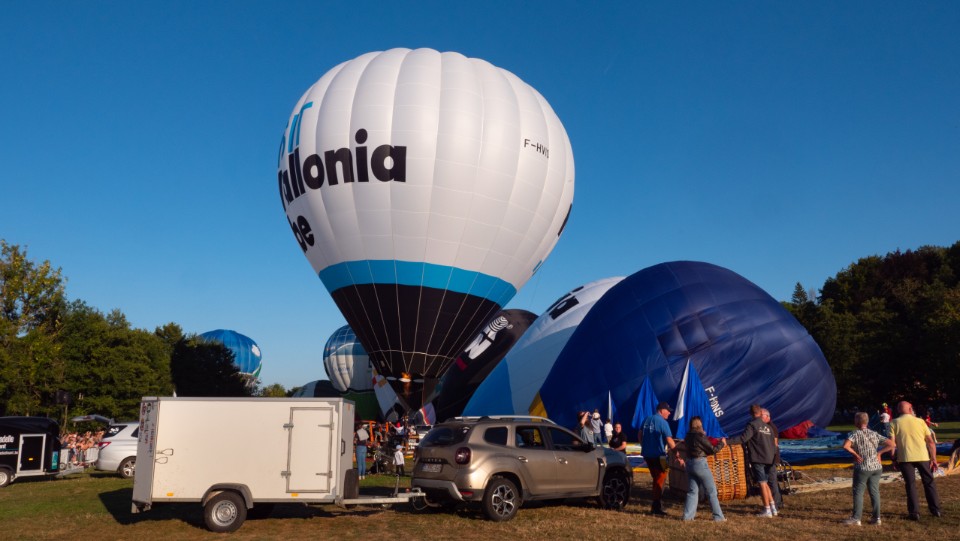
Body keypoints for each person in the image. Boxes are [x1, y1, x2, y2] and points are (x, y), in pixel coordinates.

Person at [889, 401, 942, 520]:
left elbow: (892, 444)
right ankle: (936, 509)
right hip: (922, 456)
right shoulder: (920, 421)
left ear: (898, 410)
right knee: (929, 482)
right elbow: (930, 442)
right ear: (910, 409)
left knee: (910, 485)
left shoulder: (894, 423)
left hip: (905, 457)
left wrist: (893, 458)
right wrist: (933, 458)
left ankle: (914, 513)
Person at [841, 412, 895, 526]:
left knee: (858, 492)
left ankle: (856, 518)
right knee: (874, 492)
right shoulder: (874, 433)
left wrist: (855, 454)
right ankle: (877, 518)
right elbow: (892, 444)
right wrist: (879, 453)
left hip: (863, 467)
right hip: (876, 467)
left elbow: (846, 446)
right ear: (867, 421)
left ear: (856, 422)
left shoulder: (854, 434)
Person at [727, 404, 779, 517]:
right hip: (770, 459)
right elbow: (774, 445)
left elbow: (743, 438)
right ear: (760, 413)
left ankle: (767, 510)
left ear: (751, 414)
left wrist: (727, 442)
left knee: (762, 483)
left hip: (758, 458)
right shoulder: (769, 428)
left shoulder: (752, 425)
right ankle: (773, 507)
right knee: (766, 483)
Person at [640, 401, 683, 516]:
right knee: (662, 478)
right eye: (668, 411)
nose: (669, 413)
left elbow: (640, 434)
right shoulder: (663, 422)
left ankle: (657, 502)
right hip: (660, 455)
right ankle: (656, 505)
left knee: (656, 478)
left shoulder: (647, 419)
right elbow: (669, 440)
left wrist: (644, 445)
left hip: (647, 455)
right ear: (661, 410)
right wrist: (677, 453)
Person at [681, 416, 727, 522]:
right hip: (700, 464)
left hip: (689, 463)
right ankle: (718, 517)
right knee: (711, 491)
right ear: (699, 425)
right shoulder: (700, 436)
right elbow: (712, 449)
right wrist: (722, 443)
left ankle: (687, 517)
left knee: (692, 491)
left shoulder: (687, 436)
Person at [761, 408, 783, 511]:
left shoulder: (771, 427)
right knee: (771, 481)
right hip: (767, 457)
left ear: (767, 417)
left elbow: (774, 444)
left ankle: (776, 504)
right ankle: (777, 502)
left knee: (772, 481)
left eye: (761, 416)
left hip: (771, 458)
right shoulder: (764, 426)